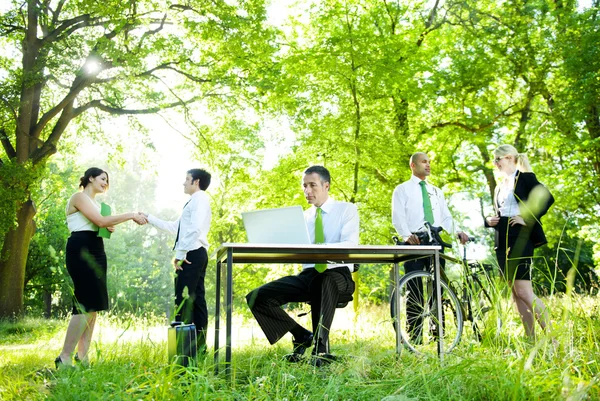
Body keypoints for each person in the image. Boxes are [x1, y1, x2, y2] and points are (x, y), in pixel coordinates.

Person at [246, 165, 359, 366]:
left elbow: (350, 244)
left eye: (312, 185)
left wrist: (318, 248)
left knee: (323, 281)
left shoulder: (346, 210)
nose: (307, 191)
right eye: (304, 186)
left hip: (337, 274)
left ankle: (321, 351)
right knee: (256, 297)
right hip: (308, 274)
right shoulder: (302, 218)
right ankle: (301, 335)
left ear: (326, 186)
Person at [57, 167, 147, 368]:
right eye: (102, 178)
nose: (106, 183)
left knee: (94, 305)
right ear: (90, 178)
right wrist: (131, 215)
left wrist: (108, 227)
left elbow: (101, 223)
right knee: (84, 303)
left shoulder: (97, 205)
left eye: (107, 180)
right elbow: (99, 221)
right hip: (81, 249)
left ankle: (83, 357)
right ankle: (64, 357)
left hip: (97, 249)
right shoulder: (79, 197)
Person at [391, 152, 469, 341]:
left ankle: (438, 334)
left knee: (438, 287)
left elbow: (445, 216)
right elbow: (398, 215)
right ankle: (415, 335)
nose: (428, 165)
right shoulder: (402, 190)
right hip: (414, 241)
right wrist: (406, 235)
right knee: (414, 287)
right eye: (424, 162)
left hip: (435, 240)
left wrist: (457, 231)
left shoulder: (436, 191)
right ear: (413, 165)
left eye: (429, 162)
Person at [485, 144, 554, 338]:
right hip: (502, 238)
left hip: (520, 236)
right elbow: (500, 212)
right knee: (515, 293)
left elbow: (547, 198)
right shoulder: (500, 185)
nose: (495, 163)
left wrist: (529, 219)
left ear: (508, 158)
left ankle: (553, 339)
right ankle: (530, 340)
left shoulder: (525, 178)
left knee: (524, 290)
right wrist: (488, 221)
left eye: (497, 159)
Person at [141, 169, 212, 353]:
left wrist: (181, 255)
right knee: (196, 301)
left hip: (192, 254)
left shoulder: (199, 199)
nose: (184, 183)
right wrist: (149, 218)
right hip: (195, 253)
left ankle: (185, 352)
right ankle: (197, 349)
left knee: (184, 300)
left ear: (196, 182)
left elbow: (195, 228)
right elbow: (175, 227)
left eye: (187, 179)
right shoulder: (193, 201)